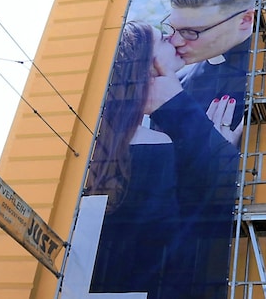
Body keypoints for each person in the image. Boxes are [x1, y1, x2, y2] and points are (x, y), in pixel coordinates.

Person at [85, 21, 237, 298]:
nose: (174, 39)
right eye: (164, 39)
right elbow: (200, 226)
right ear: (148, 67)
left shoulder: (97, 141)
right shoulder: (155, 146)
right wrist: (214, 146)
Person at [146, 0, 259, 298]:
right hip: (180, 266)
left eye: (192, 32)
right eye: (173, 29)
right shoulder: (178, 84)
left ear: (245, 20)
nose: (177, 42)